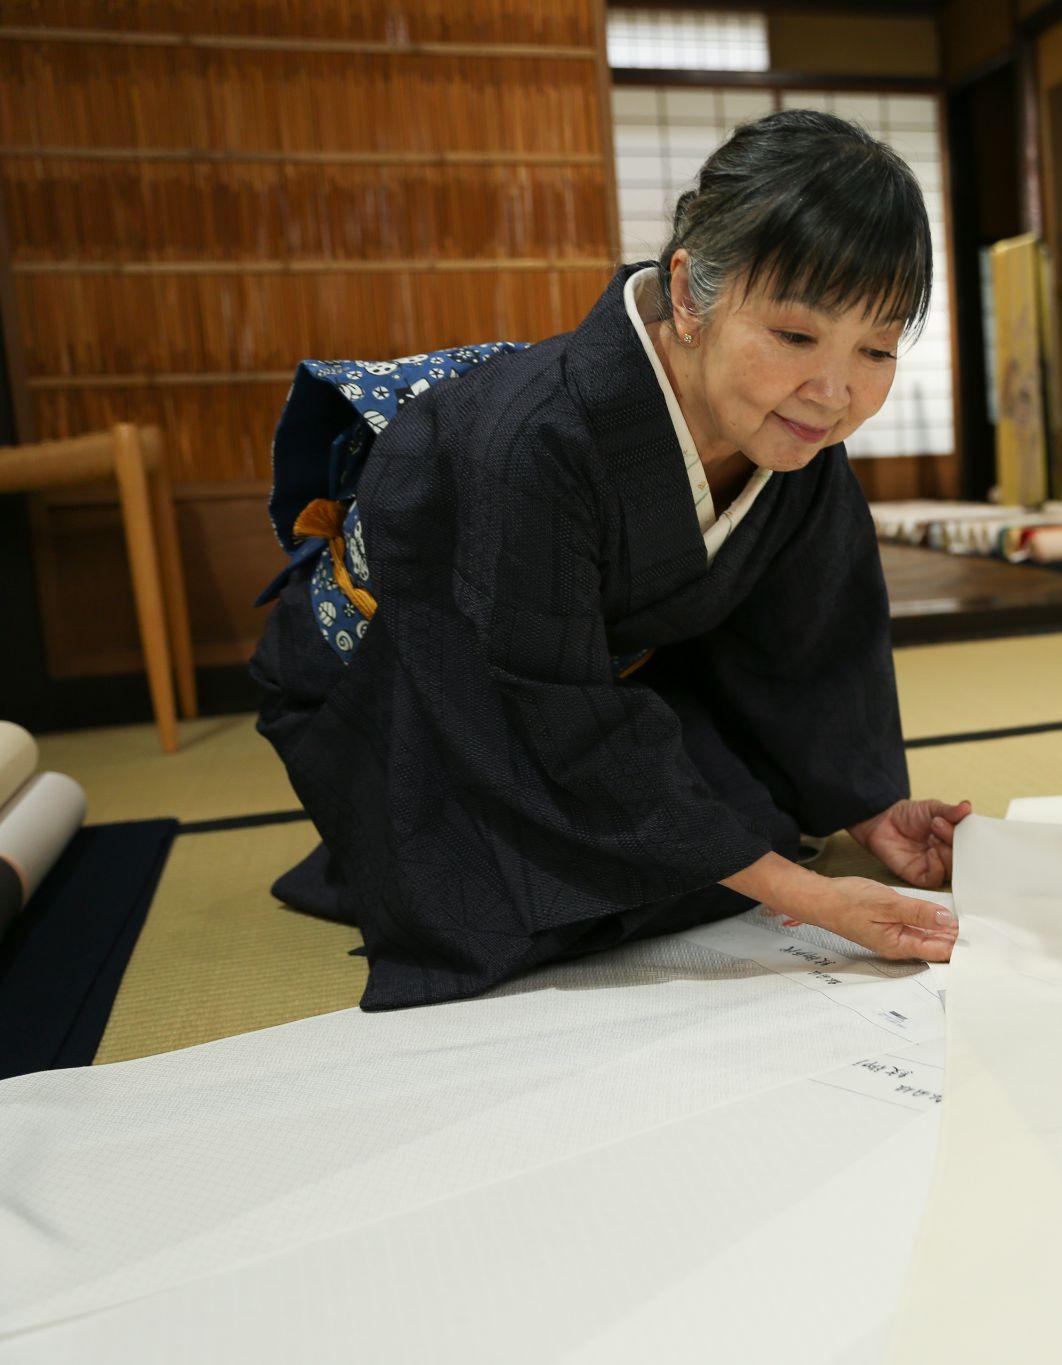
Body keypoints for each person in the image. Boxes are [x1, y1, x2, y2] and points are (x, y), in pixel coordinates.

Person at [250, 110, 969, 1010]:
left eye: (875, 349)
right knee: (509, 907)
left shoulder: (794, 442)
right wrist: (814, 898)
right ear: (690, 294)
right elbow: (537, 698)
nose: (834, 394)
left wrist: (869, 813)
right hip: (407, 689)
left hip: (579, 683)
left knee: (750, 829)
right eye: (794, 336)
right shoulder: (536, 437)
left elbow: (811, 639)